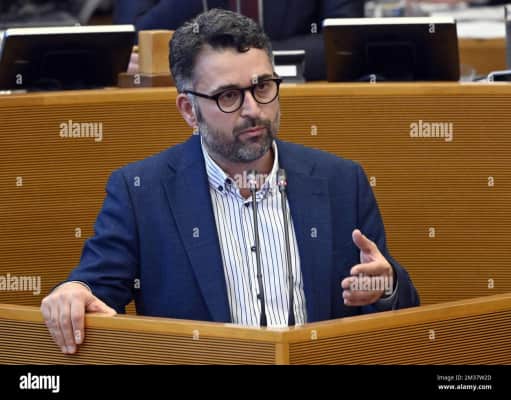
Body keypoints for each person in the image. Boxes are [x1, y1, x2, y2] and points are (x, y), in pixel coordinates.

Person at [41, 9, 419, 355]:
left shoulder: (341, 181)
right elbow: (95, 287)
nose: (253, 110)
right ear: (189, 110)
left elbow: (394, 316)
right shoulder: (140, 192)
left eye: (263, 87)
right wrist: (75, 291)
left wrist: (385, 288)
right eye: (229, 96)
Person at [114, 0, 365, 80]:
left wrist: (238, 60)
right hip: (182, 106)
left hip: (296, 100)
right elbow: (128, 42)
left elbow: (344, 44)